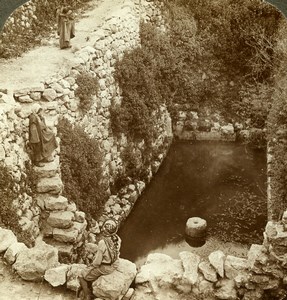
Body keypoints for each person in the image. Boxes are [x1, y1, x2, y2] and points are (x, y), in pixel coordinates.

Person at [78, 219, 121, 300]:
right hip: (115, 263)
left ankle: (87, 296)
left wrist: (90, 265)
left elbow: (97, 263)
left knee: (81, 275)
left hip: (106, 268)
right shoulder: (117, 238)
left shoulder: (102, 243)